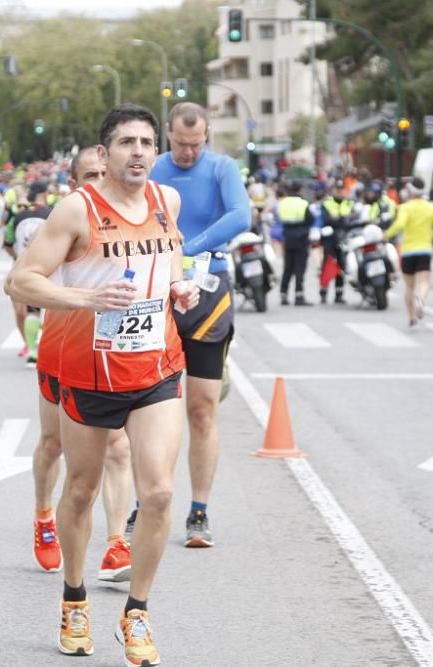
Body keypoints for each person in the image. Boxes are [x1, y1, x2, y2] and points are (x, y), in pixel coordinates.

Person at [6, 104, 199, 666]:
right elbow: (21, 280)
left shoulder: (168, 201)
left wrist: (178, 287)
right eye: (126, 143)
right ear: (105, 152)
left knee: (159, 492)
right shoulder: (77, 210)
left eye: (146, 142)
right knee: (83, 491)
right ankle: (73, 597)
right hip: (90, 372)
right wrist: (86, 299)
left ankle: (136, 612)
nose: (138, 151)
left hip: (157, 365)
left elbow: (170, 258)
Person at [149, 102, 248, 548]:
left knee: (201, 409)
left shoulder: (222, 167)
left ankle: (199, 510)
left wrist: (190, 245)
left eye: (196, 144)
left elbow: (240, 216)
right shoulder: (152, 168)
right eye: (180, 144)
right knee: (151, 408)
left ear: (206, 136)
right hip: (157, 291)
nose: (188, 152)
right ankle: (147, 501)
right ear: (167, 134)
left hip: (209, 289)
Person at [384, 177, 433, 328]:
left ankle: (412, 317)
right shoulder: (431, 208)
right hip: (425, 249)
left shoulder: (405, 207)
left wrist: (386, 235)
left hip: (408, 251)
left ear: (410, 191)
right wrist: (430, 236)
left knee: (409, 286)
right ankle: (421, 299)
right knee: (424, 281)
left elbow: (399, 224)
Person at [10, 181, 53, 364]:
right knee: (52, 310)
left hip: (25, 267)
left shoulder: (19, 216)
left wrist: (19, 257)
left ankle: (32, 350)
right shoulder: (53, 214)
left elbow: (7, 241)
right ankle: (49, 348)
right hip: (50, 267)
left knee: (32, 311)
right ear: (44, 194)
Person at [275, 179, 313, 306]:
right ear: (300, 189)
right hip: (301, 238)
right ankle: (299, 296)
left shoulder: (283, 203)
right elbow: (310, 219)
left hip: (287, 237)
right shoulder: (303, 203)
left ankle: (283, 294)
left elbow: (279, 217)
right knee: (299, 268)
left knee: (288, 267)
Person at [319, 180, 357, 304]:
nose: (340, 193)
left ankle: (339, 294)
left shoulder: (349, 203)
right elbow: (326, 220)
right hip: (330, 239)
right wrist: (340, 220)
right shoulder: (327, 203)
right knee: (328, 264)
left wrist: (338, 219)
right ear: (333, 191)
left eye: (342, 190)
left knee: (342, 265)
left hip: (344, 238)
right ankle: (323, 292)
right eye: (337, 190)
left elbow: (352, 219)